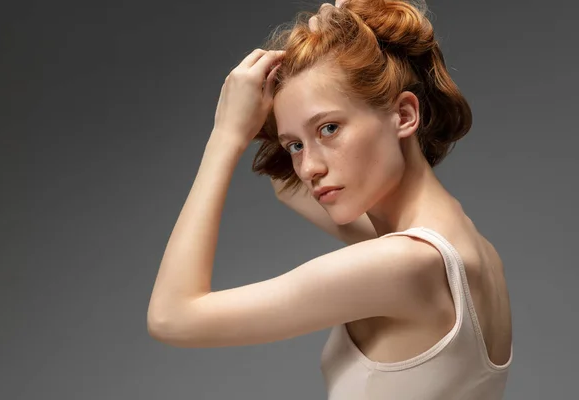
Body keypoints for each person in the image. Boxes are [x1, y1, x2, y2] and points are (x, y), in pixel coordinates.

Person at [147, 0, 513, 398]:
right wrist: (336, 43)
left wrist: (225, 137)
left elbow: (171, 318)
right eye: (295, 145)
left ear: (405, 115)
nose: (309, 169)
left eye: (330, 128)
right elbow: (286, 185)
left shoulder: (403, 265)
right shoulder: (470, 250)